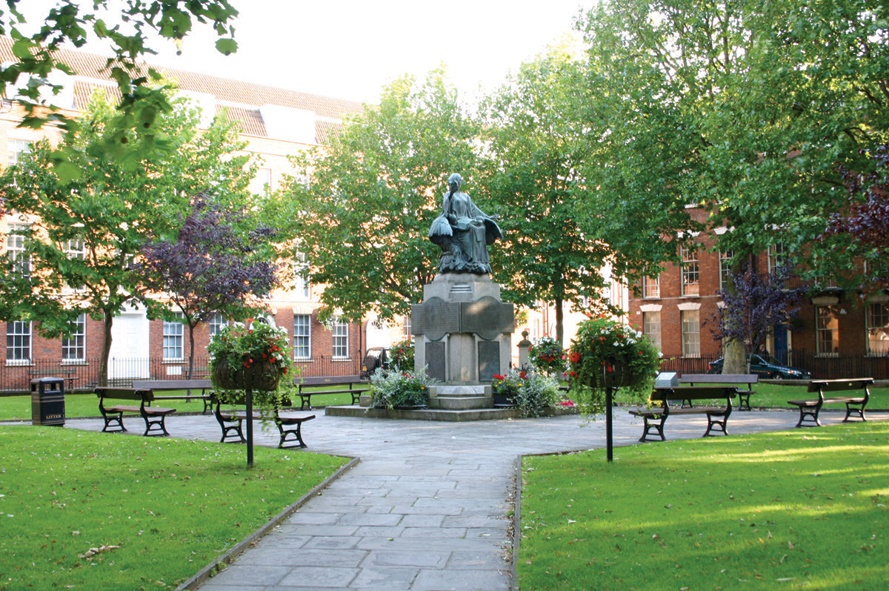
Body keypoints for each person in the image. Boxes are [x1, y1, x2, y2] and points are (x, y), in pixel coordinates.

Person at [428, 173, 503, 274]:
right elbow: (445, 210)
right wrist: (451, 194)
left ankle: (479, 260)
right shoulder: (448, 195)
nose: (452, 185)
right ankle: (471, 259)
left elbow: (474, 210)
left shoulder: (465, 196)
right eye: (450, 183)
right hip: (456, 222)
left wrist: (488, 217)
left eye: (454, 183)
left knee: (481, 226)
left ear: (459, 183)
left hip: (467, 219)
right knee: (472, 228)